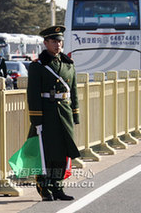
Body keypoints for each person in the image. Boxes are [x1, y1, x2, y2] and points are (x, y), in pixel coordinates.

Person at [27, 25, 80, 201]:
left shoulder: (68, 64)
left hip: (64, 112)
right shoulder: (38, 66)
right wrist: (37, 119)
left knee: (62, 150)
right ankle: (44, 185)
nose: (57, 45)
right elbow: (33, 94)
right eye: (53, 41)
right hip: (47, 112)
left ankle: (58, 186)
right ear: (45, 43)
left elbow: (73, 91)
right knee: (46, 151)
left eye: (59, 41)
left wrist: (75, 114)